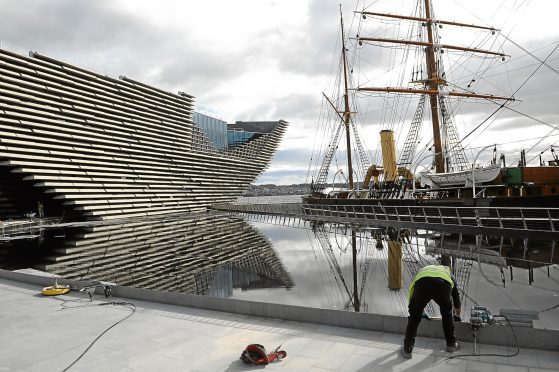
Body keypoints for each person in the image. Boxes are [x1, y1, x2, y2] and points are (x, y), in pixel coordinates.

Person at [400, 264, 462, 359]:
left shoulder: (422, 271)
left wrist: (416, 311)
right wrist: (457, 315)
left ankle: (407, 349)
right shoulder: (448, 272)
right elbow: (456, 295)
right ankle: (451, 345)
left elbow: (412, 292)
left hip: (422, 284)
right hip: (443, 286)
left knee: (414, 318)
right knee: (447, 314)